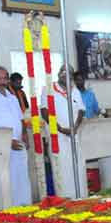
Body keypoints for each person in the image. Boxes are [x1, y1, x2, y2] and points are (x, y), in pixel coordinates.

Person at [0, 66, 31, 206]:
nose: (2, 81)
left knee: (22, 177)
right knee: (10, 180)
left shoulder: (13, 97)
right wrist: (7, 141)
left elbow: (20, 119)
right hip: (4, 146)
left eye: (5, 78)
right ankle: (13, 211)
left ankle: (26, 207)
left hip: (19, 143)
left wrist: (25, 136)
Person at [41, 65, 85, 198]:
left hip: (74, 134)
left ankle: (80, 197)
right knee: (61, 167)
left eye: (69, 74)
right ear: (58, 74)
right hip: (58, 135)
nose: (66, 75)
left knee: (77, 165)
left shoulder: (75, 90)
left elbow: (81, 110)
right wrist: (59, 128)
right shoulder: (48, 88)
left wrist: (75, 127)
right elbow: (44, 111)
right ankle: (64, 198)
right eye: (63, 72)